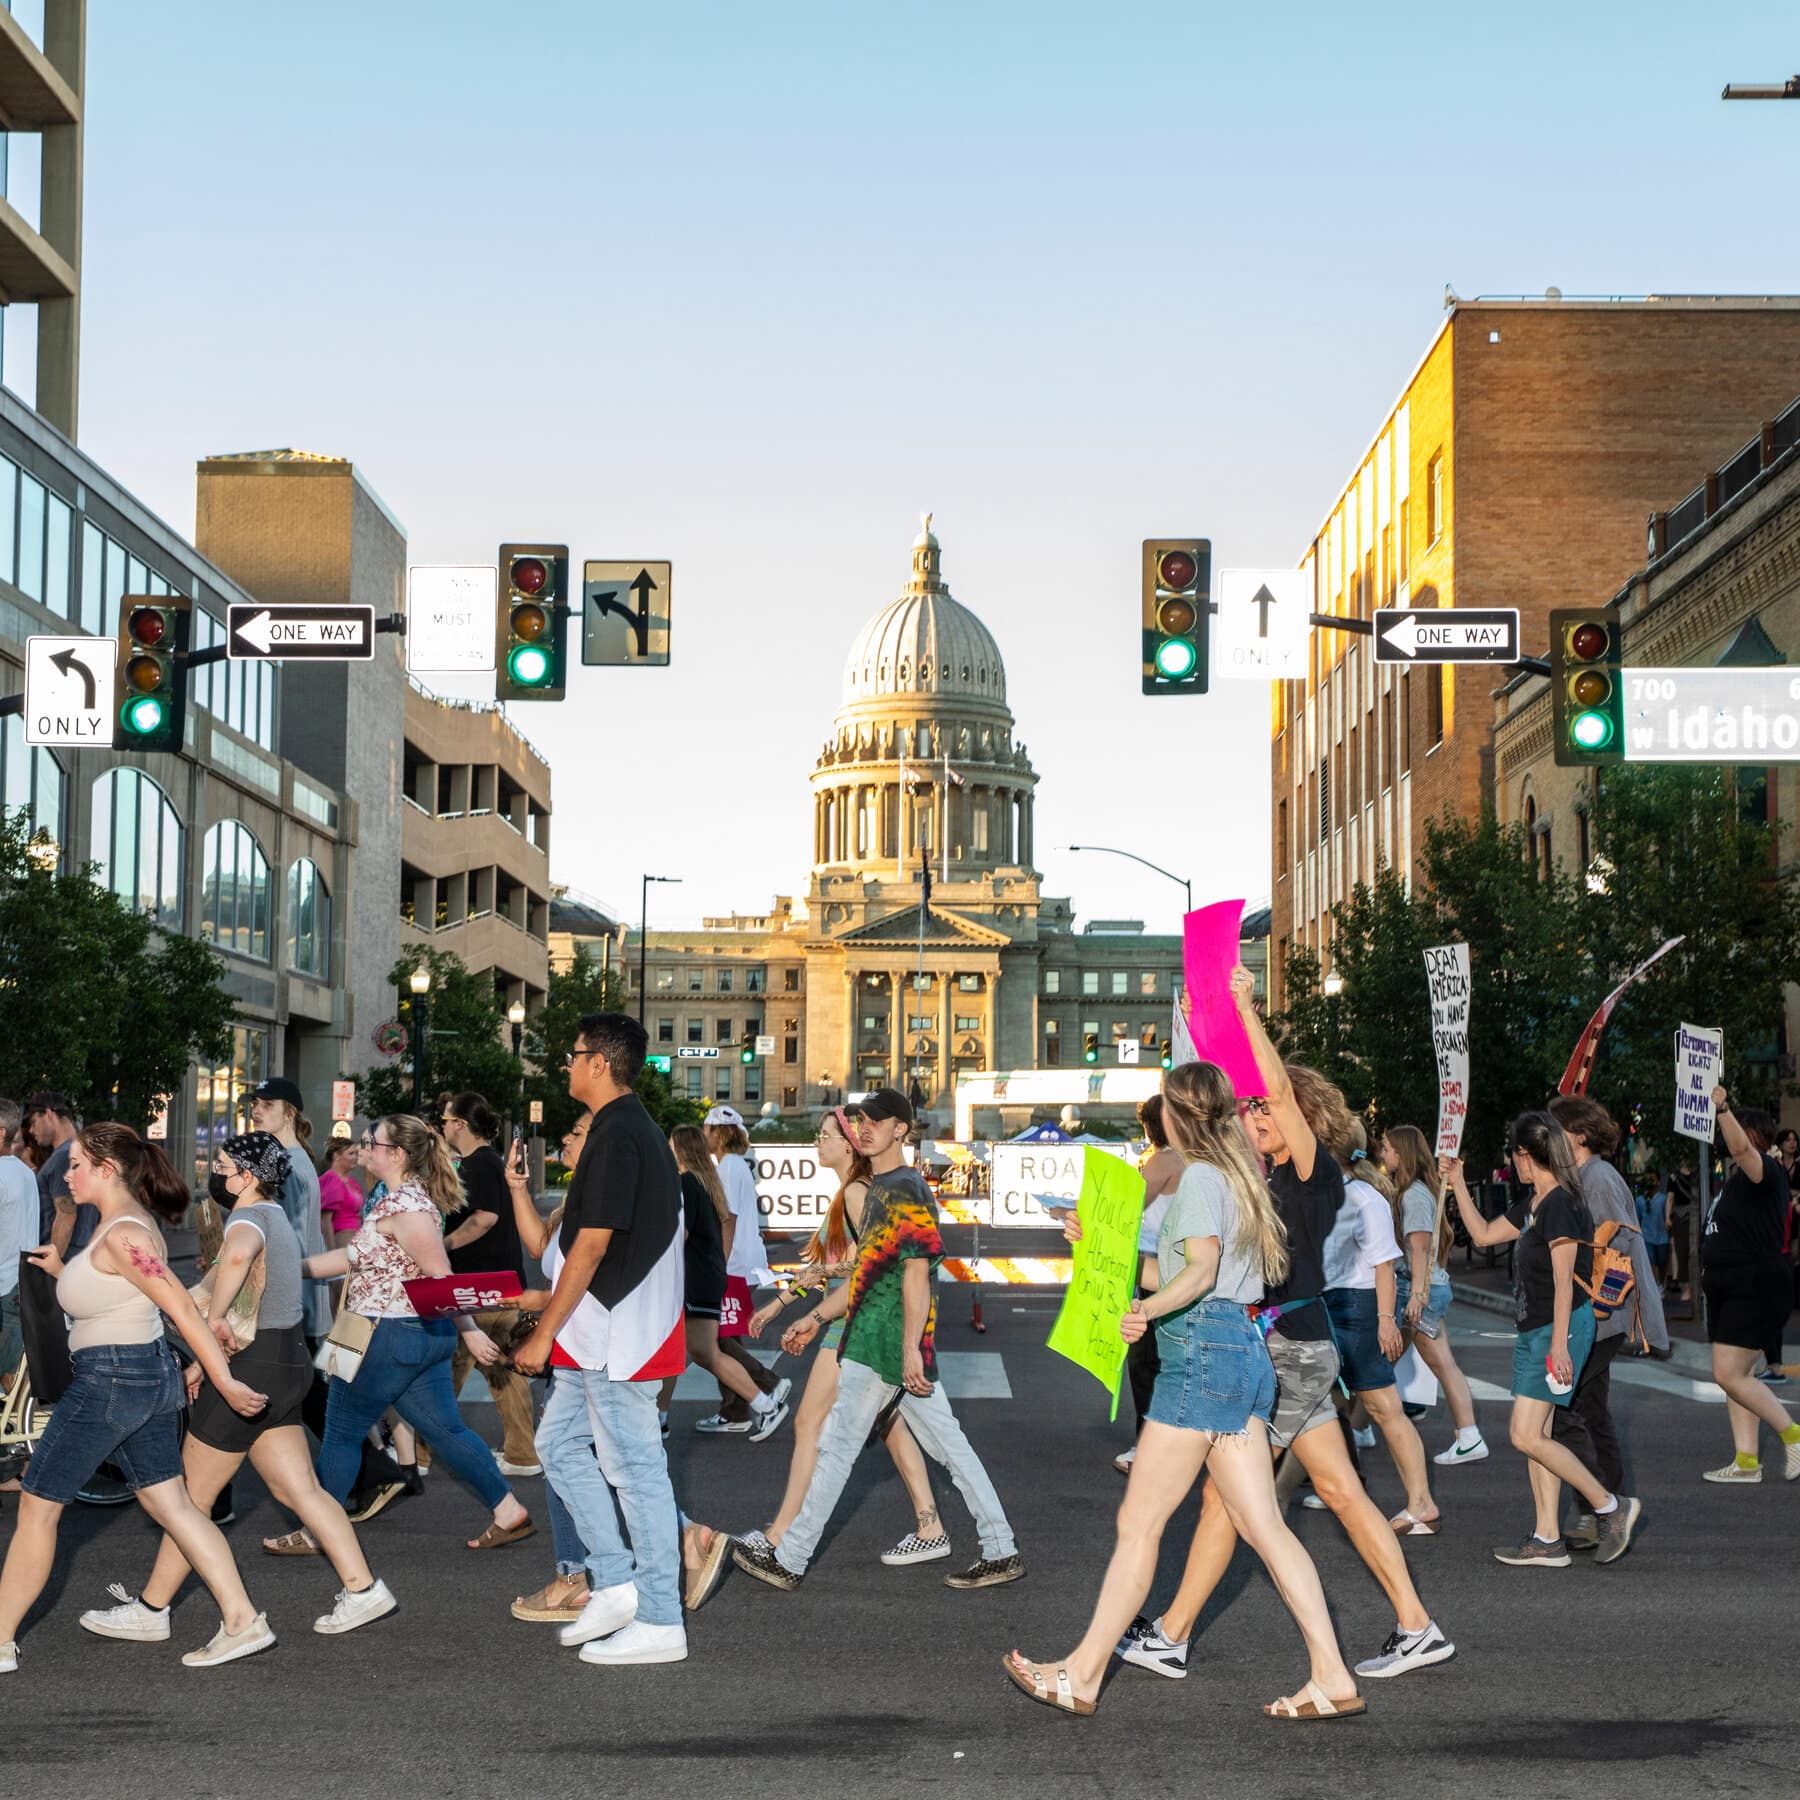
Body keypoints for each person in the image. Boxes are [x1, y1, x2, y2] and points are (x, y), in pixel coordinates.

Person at [1005, 1059, 1366, 1721]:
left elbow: (1196, 1273)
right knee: (1267, 1529)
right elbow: (1175, 1268)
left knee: (1137, 1526)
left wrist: (1145, 1312)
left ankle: (1082, 1674)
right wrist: (1102, 1248)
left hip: (1199, 1353)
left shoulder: (1200, 1176)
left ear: (1176, 1114)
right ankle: (1333, 1676)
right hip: (1239, 1354)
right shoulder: (1240, 1178)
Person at [1127, 967, 1449, 1682]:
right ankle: (1413, 1624)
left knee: (1251, 1497)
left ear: (1300, 1118)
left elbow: (1274, 1091)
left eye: (1266, 1111)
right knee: (1309, 1492)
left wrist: (1244, 1008)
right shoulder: (1260, 1176)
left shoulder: (1313, 1177)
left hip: (1292, 1350)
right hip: (1281, 1349)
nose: (1254, 1116)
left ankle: (1175, 1635)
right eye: (1247, 1110)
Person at [79, 1130, 396, 1644]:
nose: (218, 1174)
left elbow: (235, 1258)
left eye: (224, 1166)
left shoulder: (248, 1220)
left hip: (255, 1366)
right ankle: (363, 1590)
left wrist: (215, 1318)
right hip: (288, 1362)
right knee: (299, 1489)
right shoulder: (280, 1220)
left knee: (189, 1499)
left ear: (247, 1176)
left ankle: (155, 1609)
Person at [0, 1123, 273, 1673]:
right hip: (138, 1378)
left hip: (112, 1381)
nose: (66, 1173)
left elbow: (178, 1304)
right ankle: (243, 1620)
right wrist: (62, 1271)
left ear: (105, 1170)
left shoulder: (123, 1233)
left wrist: (222, 1378)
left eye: (76, 1164)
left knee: (37, 1505)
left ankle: (0, 1638)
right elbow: (118, 1297)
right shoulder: (121, 1227)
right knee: (169, 1503)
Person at [732, 1087, 1024, 1593]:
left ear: (900, 1130)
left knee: (839, 1448)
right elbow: (869, 1268)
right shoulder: (888, 1185)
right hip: (883, 1335)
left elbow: (915, 1272)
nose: (865, 1128)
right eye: (860, 1121)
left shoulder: (904, 1187)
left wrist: (911, 1346)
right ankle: (1000, 1548)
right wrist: (815, 1315)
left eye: (877, 1121)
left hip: (884, 1340)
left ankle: (792, 1555)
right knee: (949, 1447)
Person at [512, 1014, 690, 1664]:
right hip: (602, 1335)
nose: (567, 1065)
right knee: (559, 1445)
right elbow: (577, 1249)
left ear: (598, 1062)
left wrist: (542, 1335)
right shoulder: (623, 1130)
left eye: (573, 1054)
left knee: (636, 1470)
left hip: (619, 1337)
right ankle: (614, 1581)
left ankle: (661, 1619)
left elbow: (592, 1245)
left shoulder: (618, 1135)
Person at [274, 1113, 535, 1554]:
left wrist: (469, 1330)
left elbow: (440, 1276)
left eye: (370, 1141)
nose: (362, 1147)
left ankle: (320, 1531)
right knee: (446, 1430)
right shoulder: (394, 1202)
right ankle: (508, 1512)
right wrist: (287, 1270)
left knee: (340, 1429)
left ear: (394, 1153)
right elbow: (353, 1259)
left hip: (386, 1333)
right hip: (393, 1331)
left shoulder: (409, 1208)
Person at [740, 1107, 945, 1564]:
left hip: (854, 1323)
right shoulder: (849, 1193)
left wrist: (807, 1317)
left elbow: (862, 1270)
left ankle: (780, 1535)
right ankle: (930, 1526)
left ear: (849, 1144)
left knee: (809, 1422)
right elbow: (831, 1268)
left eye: (826, 1134)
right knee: (889, 1422)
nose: (818, 1141)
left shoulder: (856, 1193)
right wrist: (782, 1304)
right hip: (854, 1318)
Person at [1444, 1114, 1641, 1565]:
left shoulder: (1561, 1205)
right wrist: (1456, 1180)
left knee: (1525, 1435)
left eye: (1515, 1154)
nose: (1514, 1163)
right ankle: (1547, 1538)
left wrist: (1557, 1347)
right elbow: (1483, 1234)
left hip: (1560, 1330)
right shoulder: (1536, 1203)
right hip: (1537, 1329)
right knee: (1542, 1435)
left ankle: (1611, 1505)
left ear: (1526, 1155)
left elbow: (1565, 1283)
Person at [1547, 1093, 1668, 1545]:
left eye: (1554, 1131)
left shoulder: (1596, 1177)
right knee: (1590, 1409)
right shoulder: (1584, 1175)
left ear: (1578, 1135)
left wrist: (1598, 1308)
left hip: (1601, 1314)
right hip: (1598, 1313)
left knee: (1566, 1410)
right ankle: (1604, 1506)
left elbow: (1614, 1243)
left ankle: (1600, 1504)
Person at [1323, 1122, 1438, 1533]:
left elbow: (1384, 1265)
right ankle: (1337, 1483)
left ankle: (1421, 1502)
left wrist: (1385, 1322)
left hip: (1356, 1307)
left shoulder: (1363, 1197)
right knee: (1327, 1402)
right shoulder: (1331, 1191)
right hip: (1331, 1305)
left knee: (1384, 1408)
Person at [1696, 1084, 1800, 1483]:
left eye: (1738, 1128)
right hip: (1732, 1286)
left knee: (1728, 1374)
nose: (1728, 1135)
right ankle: (1746, 1462)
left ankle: (1792, 1434)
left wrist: (1723, 1109)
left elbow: (1741, 1150)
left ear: (1752, 1134)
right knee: (1739, 1377)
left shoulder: (1765, 1171)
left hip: (1754, 1284)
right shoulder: (1739, 1181)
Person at [666, 1123, 789, 1441]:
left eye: (670, 1146)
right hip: (706, 1278)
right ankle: (763, 1402)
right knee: (703, 1351)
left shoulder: (686, 1184)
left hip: (695, 1280)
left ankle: (764, 1401)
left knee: (703, 1350)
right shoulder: (705, 1183)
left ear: (679, 1150)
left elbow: (680, 1236)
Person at [440, 1093, 539, 1476]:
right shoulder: (488, 1162)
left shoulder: (478, 1164)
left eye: (447, 1120)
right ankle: (522, 1454)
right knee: (503, 1369)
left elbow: (485, 1218)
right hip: (502, 1281)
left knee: (448, 1367)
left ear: (461, 1124)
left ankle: (419, 1456)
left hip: (477, 1285)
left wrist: (443, 1246)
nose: (444, 1125)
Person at [1381, 1125, 1485, 1467]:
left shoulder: (1413, 1194)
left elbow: (1420, 1247)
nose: (1382, 1153)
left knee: (1432, 1363)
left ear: (1401, 1153)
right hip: (1425, 1289)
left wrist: (1416, 1295)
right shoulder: (1418, 1191)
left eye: (1386, 1147)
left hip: (1421, 1292)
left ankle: (1470, 1436)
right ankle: (1361, 1426)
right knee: (1389, 1362)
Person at [1117, 1095, 1184, 1475]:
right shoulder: (1187, 1159)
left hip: (1155, 1269)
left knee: (1146, 1362)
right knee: (1165, 1361)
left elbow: (1128, 1206)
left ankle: (1149, 1446)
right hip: (1176, 1265)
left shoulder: (1164, 1161)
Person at [248, 1078, 332, 1351]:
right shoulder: (289, 1159)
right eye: (255, 1104)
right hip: (298, 1308)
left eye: (268, 1104)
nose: (257, 1111)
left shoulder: (289, 1167)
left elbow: (288, 1243)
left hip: (291, 1311)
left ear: (290, 1112)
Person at [0, 1101, 36, 1384]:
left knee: (8, 1377)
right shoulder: (25, 1173)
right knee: (14, 1379)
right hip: (20, 1282)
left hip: (2, 1288)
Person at [27, 1092, 84, 1254]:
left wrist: (50, 1266)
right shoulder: (79, 1151)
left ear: (49, 1114)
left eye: (34, 1121)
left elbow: (66, 1215)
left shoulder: (64, 1158)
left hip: (64, 1261)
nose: (31, 1130)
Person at [318, 1133, 365, 1250]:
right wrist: (331, 1250)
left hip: (355, 1238)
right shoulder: (332, 1180)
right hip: (341, 1239)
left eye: (356, 1153)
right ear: (336, 1156)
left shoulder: (351, 1182)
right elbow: (325, 1220)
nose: (355, 1157)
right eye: (351, 1153)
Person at [1635, 1167, 1673, 1294]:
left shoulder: (1663, 1199)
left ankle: (1661, 1284)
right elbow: (1636, 1218)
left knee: (1662, 1262)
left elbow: (1667, 1215)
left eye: (1653, 1179)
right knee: (1650, 1261)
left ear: (1658, 1182)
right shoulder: (1640, 1200)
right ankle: (1654, 1286)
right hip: (1647, 1236)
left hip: (1662, 1237)